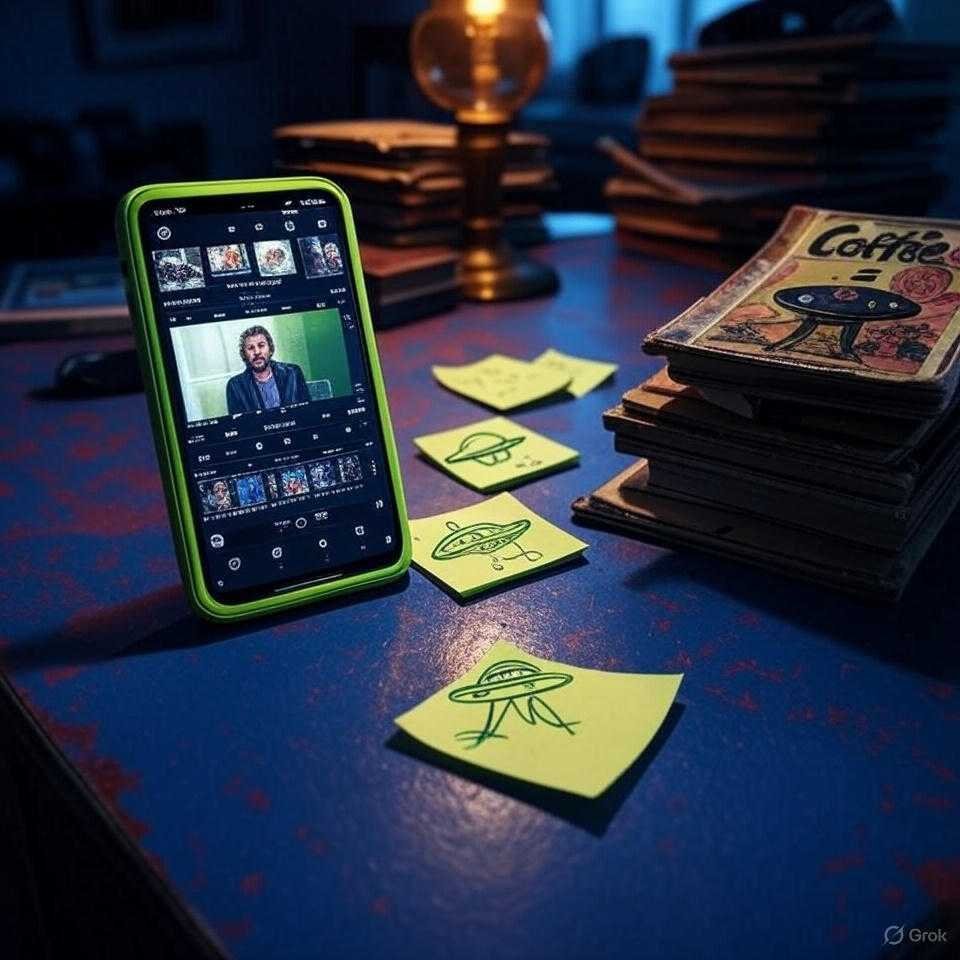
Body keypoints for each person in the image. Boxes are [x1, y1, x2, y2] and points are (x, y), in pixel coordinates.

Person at [225, 325, 309, 414]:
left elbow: (307, 411)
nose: (257, 352)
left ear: (270, 348)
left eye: (261, 345)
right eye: (250, 348)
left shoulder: (292, 373)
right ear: (244, 354)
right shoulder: (235, 386)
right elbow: (239, 421)